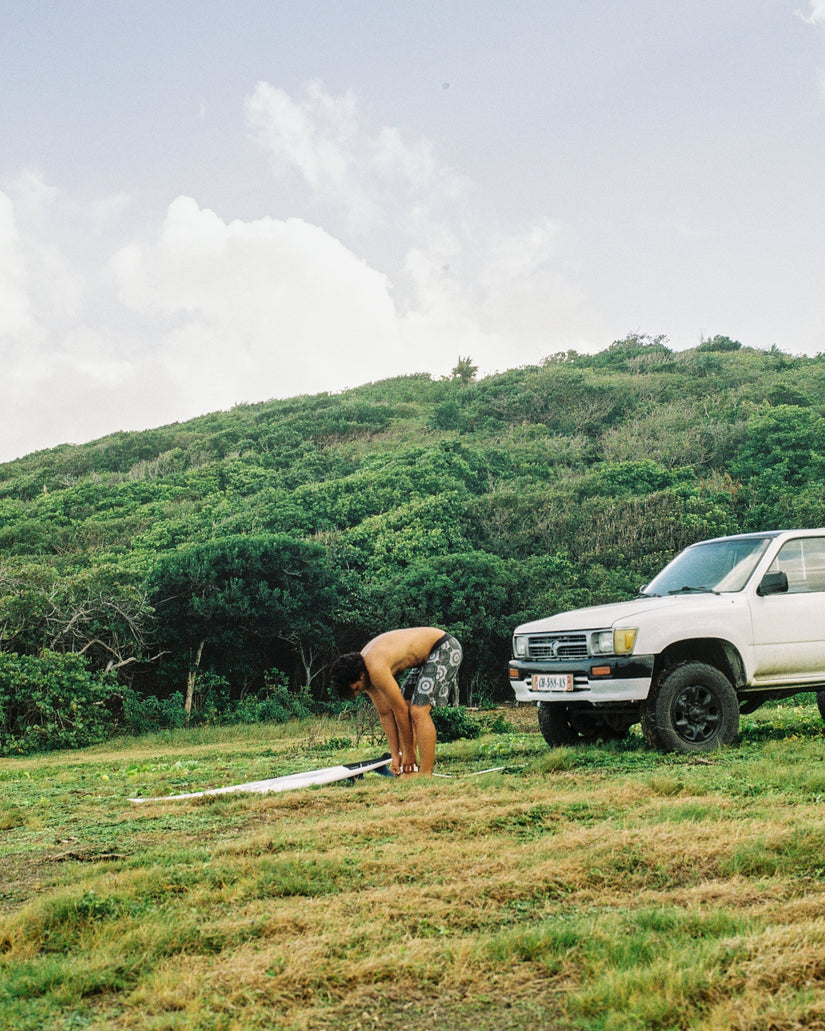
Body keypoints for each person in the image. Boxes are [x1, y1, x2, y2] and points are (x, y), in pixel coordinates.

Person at [329, 627, 463, 777]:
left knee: (418, 710)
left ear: (360, 676)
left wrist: (409, 752)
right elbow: (385, 713)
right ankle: (410, 771)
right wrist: (396, 755)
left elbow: (400, 712)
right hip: (426, 659)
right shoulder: (363, 673)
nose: (357, 692)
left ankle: (425, 774)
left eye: (356, 688)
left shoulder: (376, 668)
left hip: (444, 648)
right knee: (406, 705)